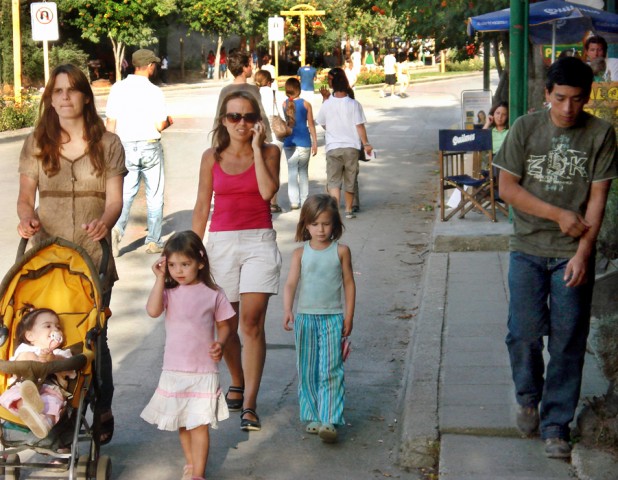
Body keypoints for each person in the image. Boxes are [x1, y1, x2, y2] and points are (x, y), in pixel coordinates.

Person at [494, 56, 617, 459]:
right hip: (527, 247)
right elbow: (507, 189)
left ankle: (556, 424)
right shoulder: (525, 128)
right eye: (560, 98)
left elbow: (598, 199)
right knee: (524, 333)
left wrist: (584, 253)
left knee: (568, 338)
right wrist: (559, 214)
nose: (568, 109)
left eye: (578, 100)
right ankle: (529, 397)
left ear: (588, 98)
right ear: (546, 94)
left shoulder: (600, 134)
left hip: (571, 253)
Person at [17, 63, 126, 445]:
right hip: (45, 258)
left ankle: (104, 406)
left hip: (92, 257)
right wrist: (26, 219)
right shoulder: (36, 142)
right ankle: (48, 405)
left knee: (94, 336)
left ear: (84, 96)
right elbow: (25, 198)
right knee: (41, 333)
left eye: (71, 90)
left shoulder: (108, 144)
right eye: (57, 91)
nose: (64, 98)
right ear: (51, 98)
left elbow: (114, 200)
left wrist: (105, 222)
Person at [192, 91, 282, 432]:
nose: (241, 123)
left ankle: (249, 403)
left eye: (248, 117)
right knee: (226, 325)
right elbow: (201, 207)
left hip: (259, 240)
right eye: (234, 117)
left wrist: (257, 148)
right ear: (222, 121)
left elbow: (266, 192)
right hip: (221, 243)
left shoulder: (271, 152)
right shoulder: (210, 157)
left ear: (257, 120)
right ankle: (237, 377)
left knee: (252, 323)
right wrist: (190, 250)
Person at [141, 231, 234, 480]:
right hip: (174, 370)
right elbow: (152, 311)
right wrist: (160, 278)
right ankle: (191, 463)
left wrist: (221, 343)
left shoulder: (214, 294)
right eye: (172, 265)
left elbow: (225, 325)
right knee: (182, 422)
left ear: (200, 262)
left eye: (185, 264)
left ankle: (198, 475)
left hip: (203, 371)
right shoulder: (169, 292)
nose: (178, 270)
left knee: (200, 424)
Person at [283, 193, 355, 443]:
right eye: (314, 224)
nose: (320, 229)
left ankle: (330, 419)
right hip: (305, 319)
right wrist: (288, 309)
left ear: (335, 224)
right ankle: (313, 415)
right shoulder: (300, 254)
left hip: (333, 318)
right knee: (308, 369)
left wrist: (349, 316)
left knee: (331, 369)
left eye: (326, 223)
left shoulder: (341, 251)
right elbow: (291, 283)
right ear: (305, 225)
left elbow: (349, 284)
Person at [106, 49, 171, 256]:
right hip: (150, 145)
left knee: (125, 194)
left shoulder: (117, 88)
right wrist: (170, 121)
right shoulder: (154, 92)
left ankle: (116, 231)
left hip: (124, 146)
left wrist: (110, 150)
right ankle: (153, 241)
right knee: (154, 194)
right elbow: (160, 125)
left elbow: (110, 123)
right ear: (150, 66)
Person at [0, 306, 75, 439]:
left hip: (49, 388)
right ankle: (29, 409)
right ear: (30, 336)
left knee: (53, 403)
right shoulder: (24, 349)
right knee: (12, 396)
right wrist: (32, 359)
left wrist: (53, 359)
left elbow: (70, 370)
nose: (55, 330)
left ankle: (43, 422)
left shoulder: (60, 353)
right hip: (23, 386)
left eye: (58, 327)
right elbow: (14, 366)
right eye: (48, 326)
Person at [315, 72, 372, 219]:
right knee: (350, 178)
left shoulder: (327, 104)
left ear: (333, 83)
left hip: (333, 147)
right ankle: (348, 210)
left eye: (329, 79)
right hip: (351, 147)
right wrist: (366, 144)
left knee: (333, 180)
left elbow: (322, 122)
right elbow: (360, 126)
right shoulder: (354, 104)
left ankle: (335, 211)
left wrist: (332, 130)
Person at [214, 50, 273, 144]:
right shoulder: (253, 89)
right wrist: (267, 138)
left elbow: (218, 118)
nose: (252, 67)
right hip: (249, 140)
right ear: (244, 68)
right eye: (250, 64)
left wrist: (216, 144)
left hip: (230, 141)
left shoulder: (225, 90)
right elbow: (261, 115)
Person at [282, 78, 318, 209]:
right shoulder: (306, 104)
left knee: (291, 172)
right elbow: (311, 124)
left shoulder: (284, 104)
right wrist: (315, 142)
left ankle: (294, 201)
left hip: (289, 141)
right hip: (304, 141)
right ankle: (304, 200)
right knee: (303, 171)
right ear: (299, 89)